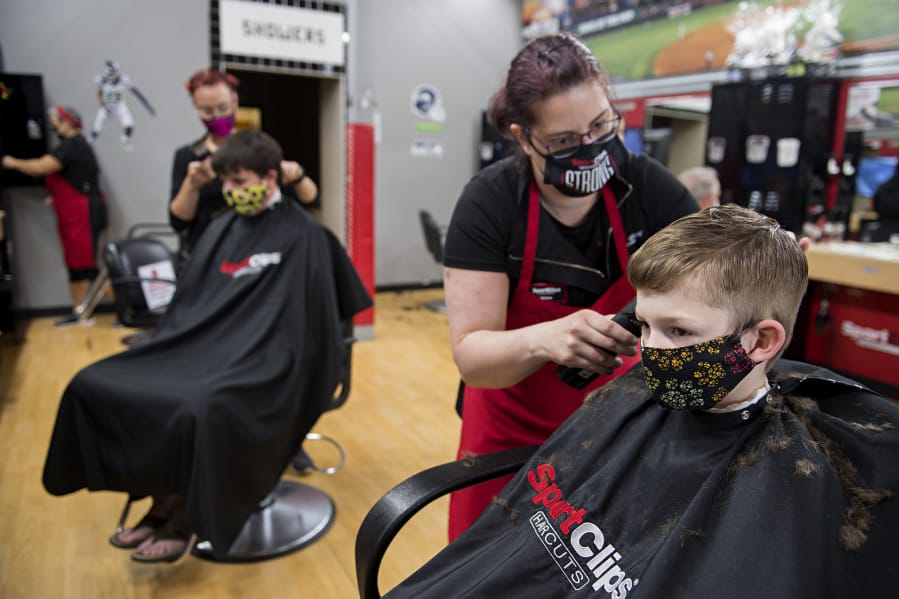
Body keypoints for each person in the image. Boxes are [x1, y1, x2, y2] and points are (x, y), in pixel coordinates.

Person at [384, 205, 899, 598]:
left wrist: (760, 257)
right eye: (645, 324)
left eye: (678, 330)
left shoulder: (798, 480)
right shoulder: (633, 398)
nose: (651, 349)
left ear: (762, 342)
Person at [42, 130, 371, 562]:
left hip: (271, 358)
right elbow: (194, 305)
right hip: (204, 348)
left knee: (202, 404)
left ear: (270, 177)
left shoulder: (306, 236)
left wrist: (265, 351)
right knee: (93, 382)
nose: (230, 193)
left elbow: (311, 327)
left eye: (239, 182)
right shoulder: (220, 231)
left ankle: (188, 516)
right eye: (225, 184)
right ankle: (161, 500)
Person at [444, 32, 698, 540]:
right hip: (507, 428)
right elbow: (473, 356)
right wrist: (545, 338)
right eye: (563, 141)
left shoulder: (646, 188)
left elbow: (705, 272)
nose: (590, 148)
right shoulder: (491, 203)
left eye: (601, 124)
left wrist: (756, 264)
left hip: (615, 428)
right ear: (523, 137)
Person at [168, 67, 319, 261]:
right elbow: (178, 222)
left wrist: (297, 175)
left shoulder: (258, 150)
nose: (216, 116)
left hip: (258, 252)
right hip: (209, 257)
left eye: (222, 108)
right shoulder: (188, 157)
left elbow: (310, 201)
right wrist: (191, 185)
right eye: (207, 111)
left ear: (234, 100)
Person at [1, 105, 108, 326]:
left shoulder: (72, 146)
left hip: (82, 213)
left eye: (55, 121)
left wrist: (11, 162)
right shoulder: (74, 146)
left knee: (83, 265)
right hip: (74, 212)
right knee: (79, 264)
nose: (52, 126)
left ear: (67, 122)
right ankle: (81, 310)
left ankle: (89, 311)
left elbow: (41, 167)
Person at [90, 60, 155, 149]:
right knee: (96, 129)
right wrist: (102, 104)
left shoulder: (123, 80)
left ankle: (124, 141)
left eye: (110, 72)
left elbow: (136, 92)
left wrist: (147, 105)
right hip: (107, 108)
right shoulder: (101, 81)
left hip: (119, 106)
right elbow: (99, 92)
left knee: (129, 125)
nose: (108, 74)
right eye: (107, 72)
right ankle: (89, 143)